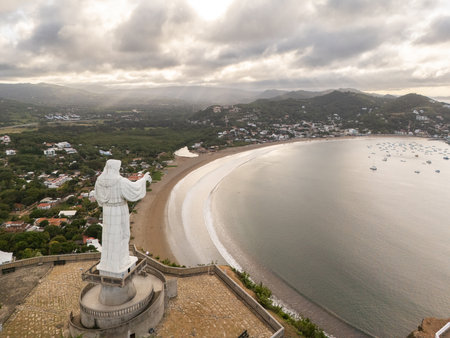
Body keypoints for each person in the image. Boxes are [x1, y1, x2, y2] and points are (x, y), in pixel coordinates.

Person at [94, 159, 151, 275]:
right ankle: (121, 261)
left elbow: (98, 198)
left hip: (107, 211)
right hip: (119, 209)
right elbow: (134, 190)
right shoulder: (120, 181)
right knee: (122, 234)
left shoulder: (99, 181)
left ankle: (109, 263)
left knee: (109, 237)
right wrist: (144, 179)